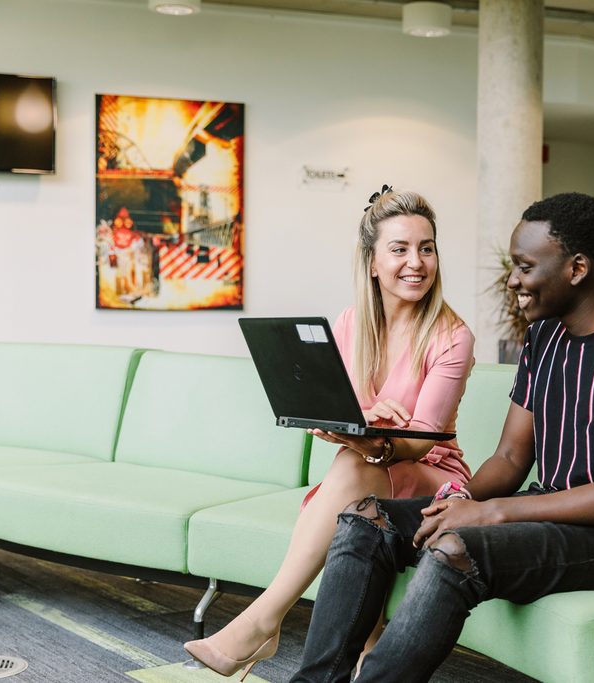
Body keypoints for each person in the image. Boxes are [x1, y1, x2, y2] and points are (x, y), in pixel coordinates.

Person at [288, 192, 594, 683]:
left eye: (525, 267)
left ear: (577, 268)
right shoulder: (545, 337)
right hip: (556, 515)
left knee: (457, 549)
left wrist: (489, 512)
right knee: (365, 520)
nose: (512, 281)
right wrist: (460, 500)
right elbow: (509, 456)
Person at [184, 186, 474, 680]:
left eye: (426, 248)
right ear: (372, 263)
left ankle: (262, 621)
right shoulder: (350, 322)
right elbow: (323, 413)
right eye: (399, 249)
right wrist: (363, 422)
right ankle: (368, 645)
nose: (416, 262)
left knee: (352, 466)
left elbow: (420, 442)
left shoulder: (452, 336)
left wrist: (365, 433)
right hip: (367, 472)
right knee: (353, 468)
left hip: (435, 478)